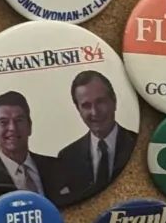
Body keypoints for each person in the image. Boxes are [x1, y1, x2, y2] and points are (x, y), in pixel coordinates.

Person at [54, 70, 136, 203]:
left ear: (114, 101)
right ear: (78, 109)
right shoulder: (67, 157)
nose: (94, 112)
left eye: (100, 102)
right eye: (86, 105)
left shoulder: (136, 144)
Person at [0, 90, 57, 195]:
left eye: (19, 120)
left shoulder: (57, 167)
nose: (12, 128)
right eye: (3, 122)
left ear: (30, 126)